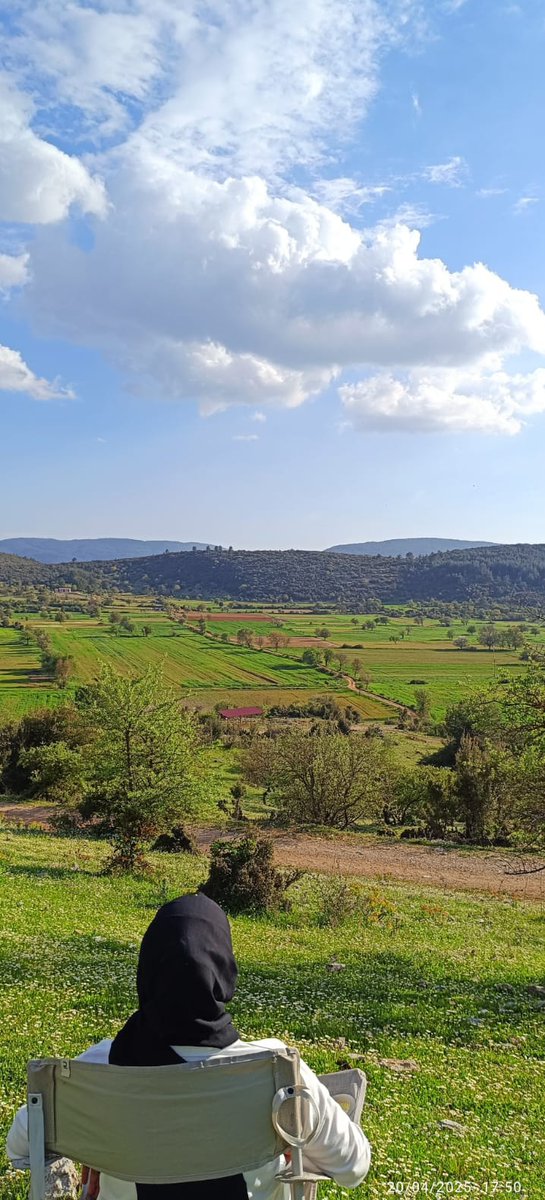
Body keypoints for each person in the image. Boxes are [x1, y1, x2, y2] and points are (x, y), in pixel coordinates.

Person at [7, 893, 371, 1199]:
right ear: (225, 971)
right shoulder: (277, 1070)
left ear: (146, 970)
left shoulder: (95, 1069)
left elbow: (21, 1148)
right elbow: (353, 1167)